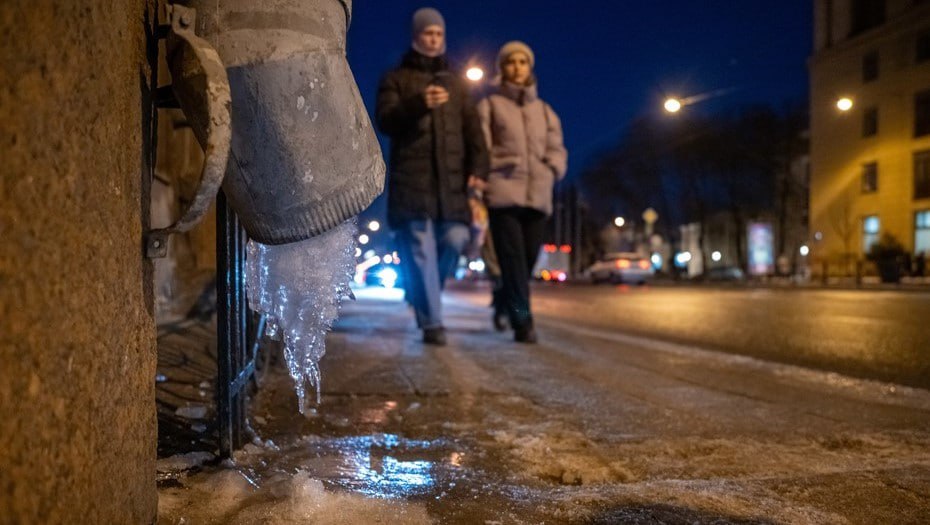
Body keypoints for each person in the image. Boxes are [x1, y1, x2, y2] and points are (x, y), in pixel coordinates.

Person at [376, 7, 489, 346]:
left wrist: (479, 171)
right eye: (428, 33)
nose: (434, 39)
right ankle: (432, 324)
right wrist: (418, 103)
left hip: (452, 186)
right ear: (416, 36)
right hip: (413, 184)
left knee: (455, 241)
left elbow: (474, 134)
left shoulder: (456, 84)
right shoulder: (395, 78)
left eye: (439, 34)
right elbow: (385, 121)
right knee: (421, 250)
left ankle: (424, 294)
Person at [478, 41, 567, 343]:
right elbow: (482, 148)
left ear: (530, 67)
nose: (517, 67)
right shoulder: (490, 106)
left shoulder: (545, 111)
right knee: (514, 260)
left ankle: (504, 297)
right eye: (510, 62)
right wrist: (489, 174)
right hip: (503, 193)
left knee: (527, 261)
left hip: (538, 195)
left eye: (522, 62)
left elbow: (557, 148)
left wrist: (553, 168)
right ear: (501, 68)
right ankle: (522, 321)